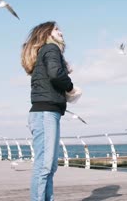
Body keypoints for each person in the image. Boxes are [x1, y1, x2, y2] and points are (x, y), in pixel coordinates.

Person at [21, 21, 80, 201]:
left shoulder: (47, 52)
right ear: (47, 33)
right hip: (45, 112)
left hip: (48, 112)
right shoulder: (50, 49)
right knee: (44, 166)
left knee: (49, 166)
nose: (61, 31)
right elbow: (55, 74)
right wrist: (70, 86)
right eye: (56, 29)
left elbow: (52, 73)